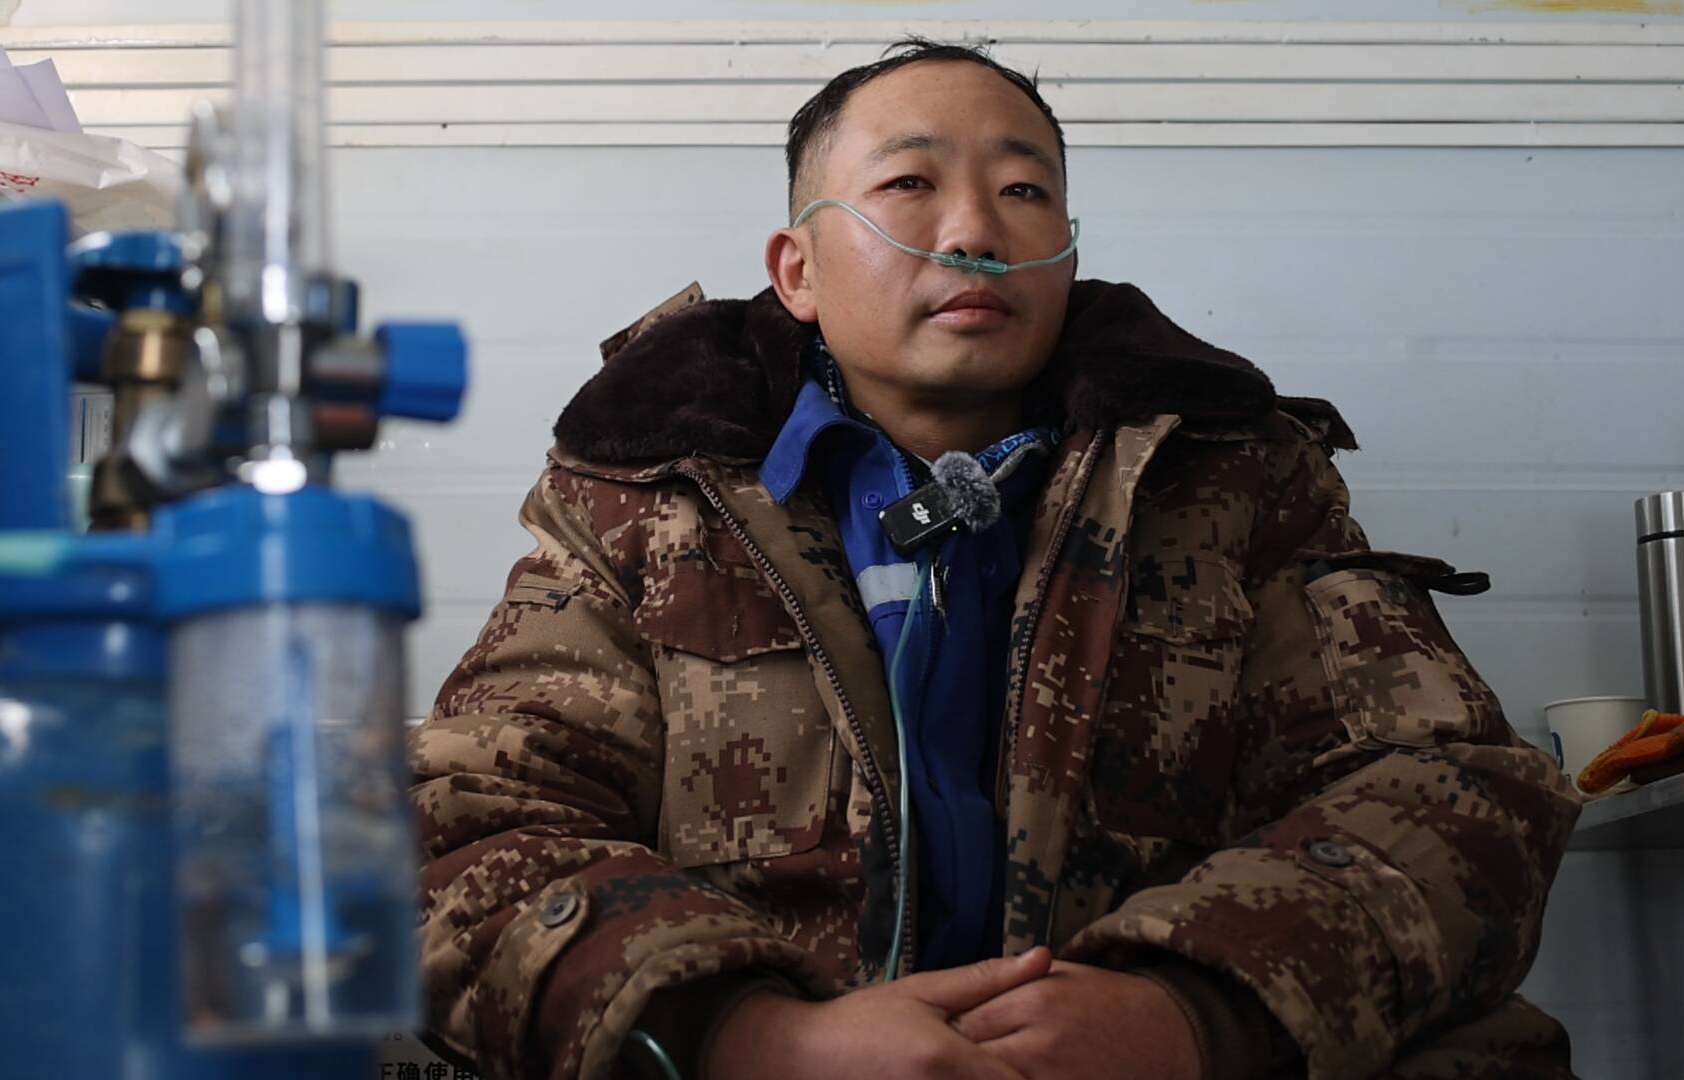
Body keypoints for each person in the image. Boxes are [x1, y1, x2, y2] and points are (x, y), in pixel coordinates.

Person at [410, 38, 1581, 1080]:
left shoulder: (1234, 477)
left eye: (1025, 191)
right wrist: (751, 1039)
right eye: (910, 184)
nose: (974, 231)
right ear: (798, 271)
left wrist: (1187, 1010)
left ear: (1064, 252)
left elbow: (1452, 793)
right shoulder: (645, 495)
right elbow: (465, 824)